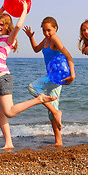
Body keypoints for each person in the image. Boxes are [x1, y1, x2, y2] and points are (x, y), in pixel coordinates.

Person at [0, 1, 58, 149]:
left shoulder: (9, 39)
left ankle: (38, 99)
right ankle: (8, 143)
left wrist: (24, 10)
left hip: (2, 77)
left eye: (1, 24)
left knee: (9, 112)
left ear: (7, 26)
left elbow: (18, 26)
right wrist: (4, 7)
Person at [23, 17, 76, 146]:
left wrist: (72, 75)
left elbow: (68, 55)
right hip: (52, 75)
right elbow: (36, 49)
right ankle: (58, 141)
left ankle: (55, 112)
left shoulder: (54, 38)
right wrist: (30, 37)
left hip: (58, 75)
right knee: (52, 106)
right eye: (44, 30)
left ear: (55, 28)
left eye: (49, 30)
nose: (46, 33)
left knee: (33, 88)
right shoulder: (47, 39)